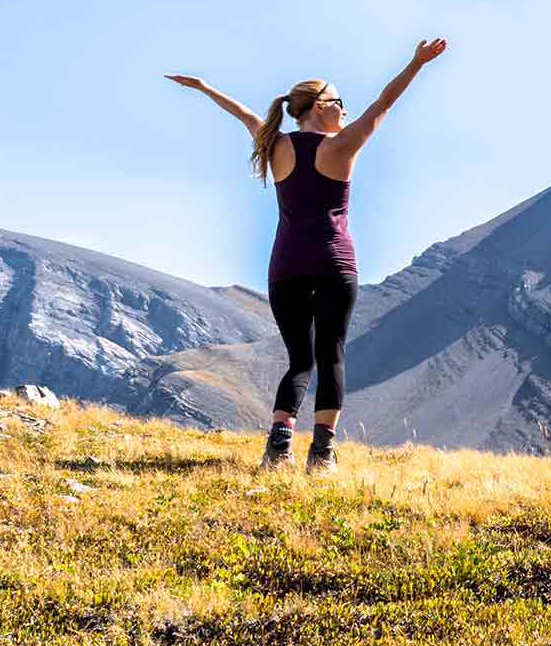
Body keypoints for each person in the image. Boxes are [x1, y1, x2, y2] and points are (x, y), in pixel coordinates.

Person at [164, 37, 448, 472]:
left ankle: (278, 449)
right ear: (319, 106)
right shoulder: (342, 145)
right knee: (331, 354)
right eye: (339, 102)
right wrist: (416, 64)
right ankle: (322, 454)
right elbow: (384, 103)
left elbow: (243, 113)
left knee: (300, 359)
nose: (345, 111)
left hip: (286, 268)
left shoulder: (273, 145)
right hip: (334, 264)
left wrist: (204, 88)